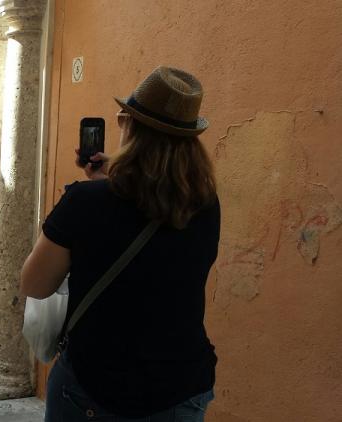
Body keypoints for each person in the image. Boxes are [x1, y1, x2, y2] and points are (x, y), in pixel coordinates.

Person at [20, 66, 219, 421]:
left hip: (96, 390)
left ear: (129, 125)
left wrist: (79, 204)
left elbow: (34, 283)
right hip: (182, 389)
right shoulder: (206, 204)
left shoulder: (85, 202)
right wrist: (116, 177)